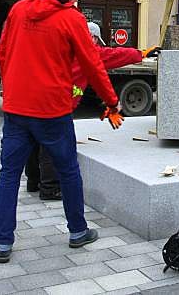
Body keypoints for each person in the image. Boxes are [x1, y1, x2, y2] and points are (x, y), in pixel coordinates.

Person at [0, 0, 124, 263]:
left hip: (15, 108)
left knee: (9, 174)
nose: (77, 2)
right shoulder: (71, 18)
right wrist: (111, 101)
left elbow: (2, 52)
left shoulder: (18, 9)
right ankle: (78, 231)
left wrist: (13, 86)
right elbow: (93, 64)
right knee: (68, 171)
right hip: (52, 111)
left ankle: (2, 243)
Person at [25, 21, 160, 200]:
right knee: (53, 145)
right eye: (96, 39)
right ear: (93, 37)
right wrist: (141, 53)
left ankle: (33, 181)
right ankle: (49, 188)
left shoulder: (58, 46)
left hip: (36, 100)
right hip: (57, 106)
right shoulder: (87, 50)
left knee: (35, 141)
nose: (96, 43)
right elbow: (113, 55)